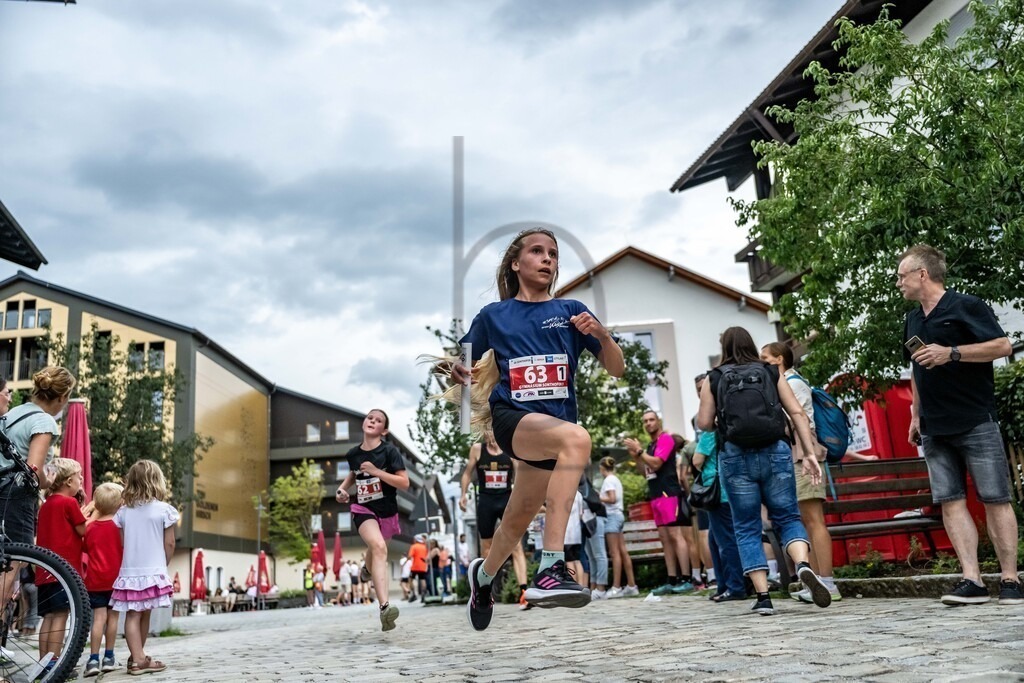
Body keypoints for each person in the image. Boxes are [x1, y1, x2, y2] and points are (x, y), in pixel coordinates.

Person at [450, 228, 624, 631]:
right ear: (515, 263)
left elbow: (617, 368)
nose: (547, 259)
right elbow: (462, 362)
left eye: (554, 254)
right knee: (578, 439)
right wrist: (458, 370)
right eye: (537, 251)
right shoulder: (494, 315)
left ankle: (483, 577)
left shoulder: (572, 311)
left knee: (517, 518)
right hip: (512, 419)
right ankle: (551, 567)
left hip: (552, 432)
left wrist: (601, 335)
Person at [898, 244, 1022, 605]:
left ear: (923, 274)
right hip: (933, 427)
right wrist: (915, 415)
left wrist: (951, 352)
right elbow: (916, 368)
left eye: (902, 276)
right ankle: (972, 580)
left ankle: (1011, 580)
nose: (898, 283)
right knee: (950, 501)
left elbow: (1003, 346)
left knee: (995, 498)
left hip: (975, 419)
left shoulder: (966, 305)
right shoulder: (912, 319)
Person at [697, 326, 832, 616]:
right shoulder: (771, 371)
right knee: (788, 517)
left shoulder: (714, 377)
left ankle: (763, 597)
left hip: (735, 456)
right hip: (776, 451)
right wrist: (809, 453)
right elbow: (797, 412)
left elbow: (704, 423)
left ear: (724, 347)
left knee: (746, 525)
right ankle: (803, 564)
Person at [761, 342, 843, 604]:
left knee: (814, 519)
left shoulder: (793, 384)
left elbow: (798, 421)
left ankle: (828, 581)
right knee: (807, 520)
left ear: (779, 360)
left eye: (765, 358)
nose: (761, 362)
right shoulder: (787, 383)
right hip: (797, 455)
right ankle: (817, 580)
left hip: (802, 455)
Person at [0, 368, 75, 617]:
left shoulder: (12, 413)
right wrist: (46, 480)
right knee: (12, 564)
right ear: (62, 397)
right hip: (16, 497)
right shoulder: (44, 421)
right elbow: (32, 470)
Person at [335, 409, 410, 630]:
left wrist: (377, 471)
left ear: (383, 430)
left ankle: (367, 571)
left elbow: (404, 483)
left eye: (378, 421)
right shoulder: (353, 454)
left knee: (376, 549)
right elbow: (354, 474)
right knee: (378, 546)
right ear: (364, 422)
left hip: (387, 511)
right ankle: (385, 608)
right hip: (363, 508)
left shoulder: (389, 451)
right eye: (370, 418)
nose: (372, 421)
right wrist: (342, 489)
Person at [110, 460, 178, 675]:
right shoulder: (164, 510)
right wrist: (164, 564)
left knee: (133, 614)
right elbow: (170, 543)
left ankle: (136, 655)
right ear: (157, 481)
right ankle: (139, 660)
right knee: (144, 613)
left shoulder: (123, 512)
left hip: (131, 571)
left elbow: (123, 542)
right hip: (154, 570)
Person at [624, 411, 694, 596]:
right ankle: (671, 579)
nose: (648, 423)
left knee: (675, 535)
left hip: (668, 493)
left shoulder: (665, 439)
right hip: (655, 495)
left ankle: (686, 579)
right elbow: (646, 471)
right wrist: (636, 457)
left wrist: (640, 452)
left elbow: (656, 464)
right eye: (645, 421)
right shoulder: (651, 445)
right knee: (664, 537)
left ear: (658, 421)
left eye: (651, 419)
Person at [459, 431, 529, 608]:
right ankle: (485, 591)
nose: (489, 434)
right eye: (486, 431)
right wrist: (463, 494)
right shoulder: (477, 449)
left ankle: (524, 592)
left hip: (506, 500)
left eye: (492, 430)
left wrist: (522, 498)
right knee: (487, 548)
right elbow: (467, 473)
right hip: (486, 502)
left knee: (516, 545)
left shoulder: (510, 448)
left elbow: (520, 475)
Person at [690, 387, 746, 604]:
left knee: (726, 542)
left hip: (717, 493)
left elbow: (697, 460)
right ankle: (724, 585)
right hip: (733, 490)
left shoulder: (710, 432)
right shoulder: (732, 427)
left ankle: (735, 586)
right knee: (715, 540)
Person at [35, 458, 87, 674]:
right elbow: (83, 530)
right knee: (61, 615)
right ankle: (56, 664)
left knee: (48, 617)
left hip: (44, 572)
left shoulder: (46, 505)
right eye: (79, 477)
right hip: (64, 573)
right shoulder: (69, 503)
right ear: (68, 482)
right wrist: (93, 513)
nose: (81, 480)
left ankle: (44, 664)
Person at [81, 482, 126, 677]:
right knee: (113, 618)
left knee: (98, 619)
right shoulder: (121, 528)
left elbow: (84, 548)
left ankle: (93, 660)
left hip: (95, 581)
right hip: (116, 581)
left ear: (97, 505)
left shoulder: (90, 528)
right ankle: (109, 657)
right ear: (120, 504)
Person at [599, 457, 637, 598]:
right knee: (622, 551)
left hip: (612, 517)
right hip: (619, 515)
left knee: (614, 553)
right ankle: (631, 585)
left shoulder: (608, 480)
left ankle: (616, 587)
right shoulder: (615, 479)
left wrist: (598, 497)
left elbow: (612, 498)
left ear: (602, 468)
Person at [579, 473, 608, 599]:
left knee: (599, 554)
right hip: (586, 521)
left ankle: (601, 588)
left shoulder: (580, 478)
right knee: (591, 556)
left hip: (594, 518)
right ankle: (593, 587)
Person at [407, 537, 427, 602]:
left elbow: (410, 556)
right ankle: (423, 595)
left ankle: (413, 594)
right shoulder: (425, 547)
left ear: (416, 540)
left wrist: (408, 559)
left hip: (415, 567)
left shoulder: (414, 546)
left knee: (410, 579)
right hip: (423, 566)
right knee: (422, 579)